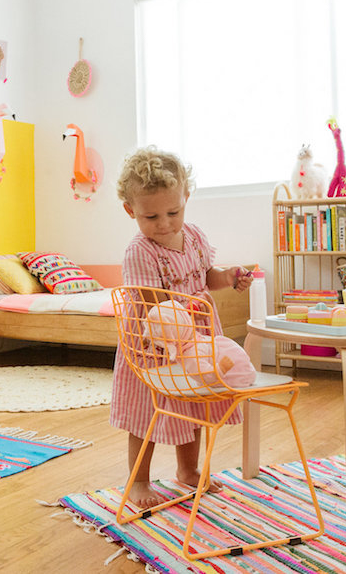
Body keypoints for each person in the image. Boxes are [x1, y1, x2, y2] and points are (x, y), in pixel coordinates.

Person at [111, 146, 254, 508]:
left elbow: (208, 276)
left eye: (173, 212)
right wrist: (186, 307)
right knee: (146, 415)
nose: (164, 223)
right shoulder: (140, 251)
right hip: (155, 347)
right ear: (131, 211)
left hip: (198, 341)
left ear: (186, 197)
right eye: (151, 216)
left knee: (194, 406)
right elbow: (147, 304)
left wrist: (230, 277)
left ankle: (188, 471)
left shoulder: (194, 236)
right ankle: (139, 480)